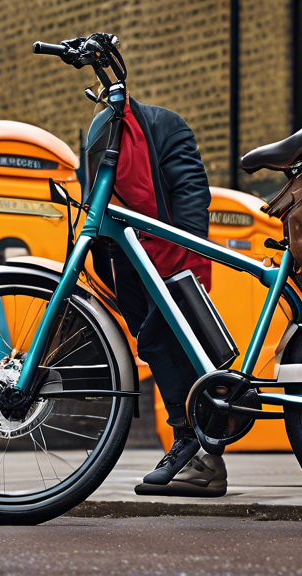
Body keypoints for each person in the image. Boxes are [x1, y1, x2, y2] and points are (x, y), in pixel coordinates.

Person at [89, 97, 227, 498]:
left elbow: (189, 195)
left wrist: (183, 256)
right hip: (133, 253)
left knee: (173, 341)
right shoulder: (107, 130)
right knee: (156, 341)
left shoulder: (162, 125)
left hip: (169, 252)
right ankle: (199, 452)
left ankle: (199, 449)